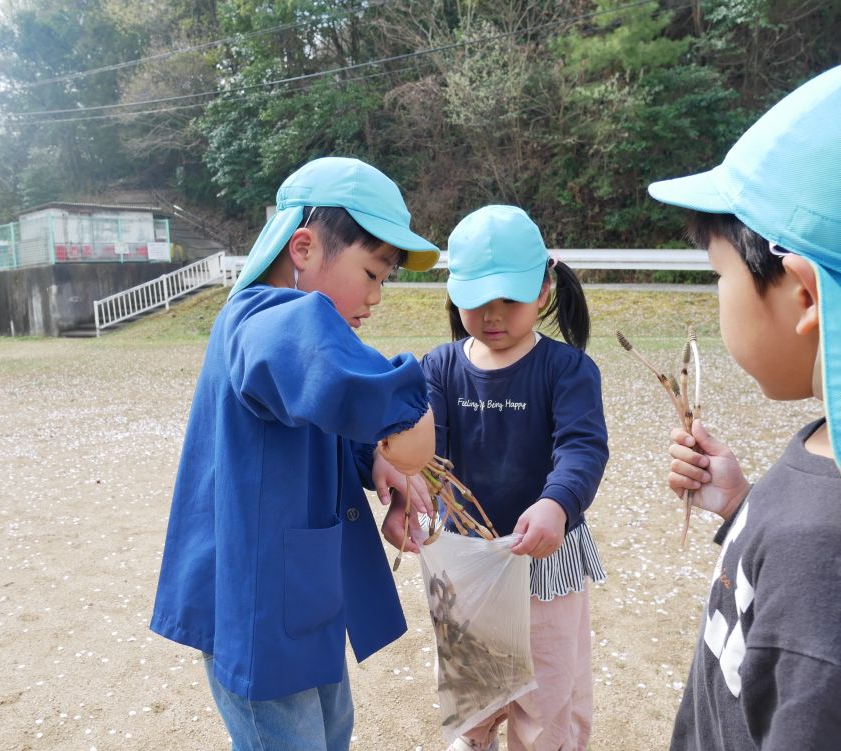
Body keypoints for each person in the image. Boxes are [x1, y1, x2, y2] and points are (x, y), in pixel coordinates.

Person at [150, 156, 442, 751]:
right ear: (304, 248)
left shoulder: (282, 327)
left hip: (299, 593)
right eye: (372, 272)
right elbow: (333, 372)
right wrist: (408, 412)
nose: (377, 296)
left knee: (332, 730)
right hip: (258, 607)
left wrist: (373, 460)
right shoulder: (266, 321)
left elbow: (317, 408)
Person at [650, 64, 841, 750]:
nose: (718, 294)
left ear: (803, 296)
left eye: (719, 275)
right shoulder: (824, 455)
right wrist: (742, 507)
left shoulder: (821, 548)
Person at [385, 205, 609, 751]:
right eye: (477, 298)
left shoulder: (567, 369)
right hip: (467, 565)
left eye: (510, 297)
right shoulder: (438, 368)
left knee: (547, 701)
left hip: (545, 560)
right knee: (473, 701)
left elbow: (581, 448)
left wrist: (557, 504)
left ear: (544, 289)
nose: (493, 313)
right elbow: (425, 456)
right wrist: (406, 496)